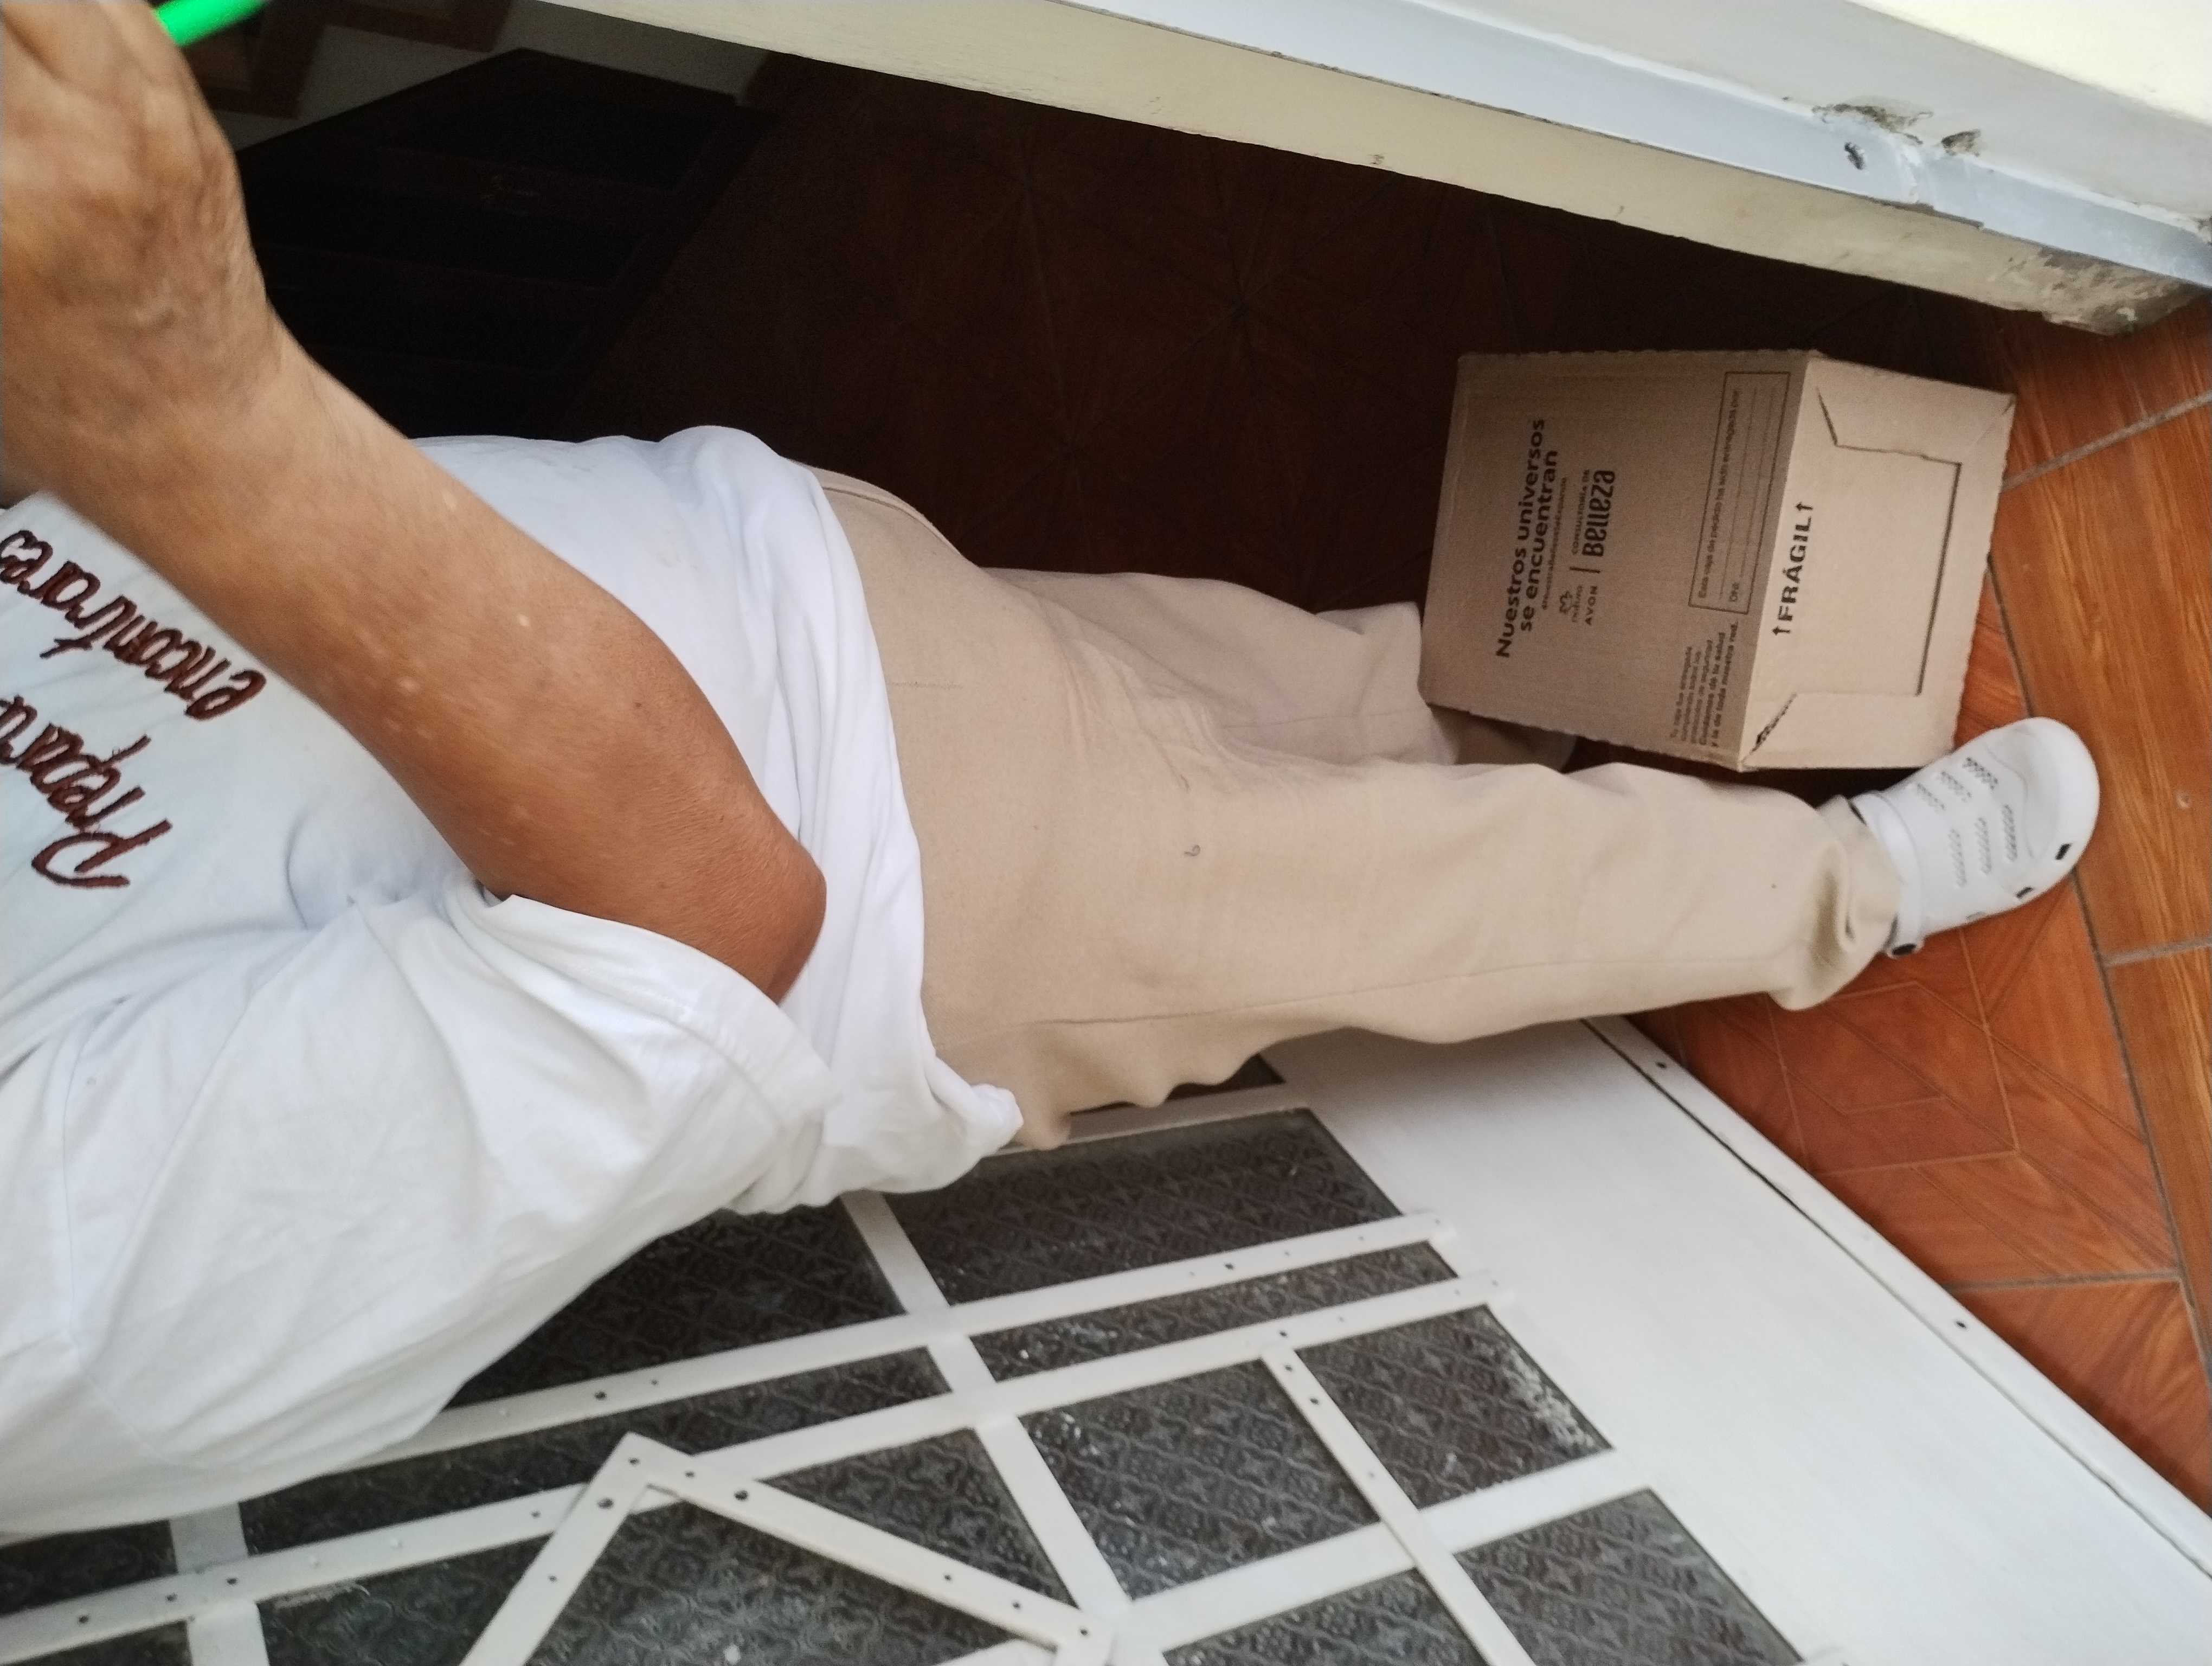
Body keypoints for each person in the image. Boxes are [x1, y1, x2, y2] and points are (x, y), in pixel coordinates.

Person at [0, 2, 2097, 1534]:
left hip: (792, 573)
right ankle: (1859, 896)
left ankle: (1584, 715)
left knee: (1331, 694)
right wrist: (191, 391)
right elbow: (701, 937)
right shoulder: (41, 1320)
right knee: (1469, 895)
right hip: (918, 889)